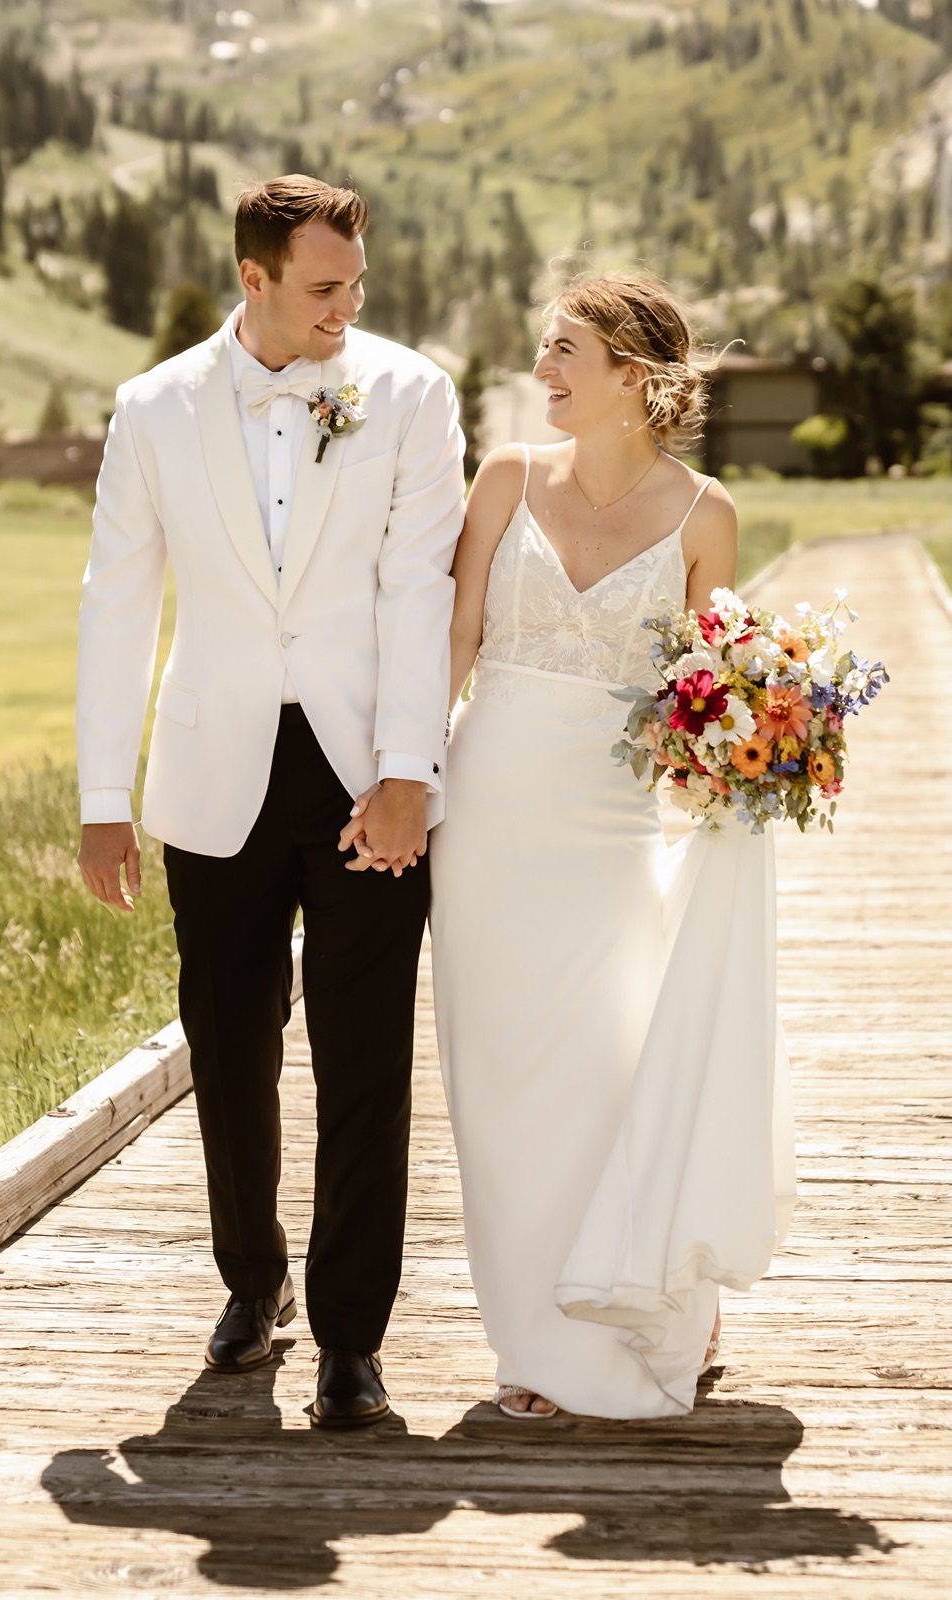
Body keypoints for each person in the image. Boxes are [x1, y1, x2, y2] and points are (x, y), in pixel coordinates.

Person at [76, 175, 465, 1427]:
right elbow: (117, 603)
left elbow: (418, 590)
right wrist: (102, 792)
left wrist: (410, 770)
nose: (350, 306)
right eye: (323, 288)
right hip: (213, 773)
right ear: (253, 279)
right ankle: (255, 1283)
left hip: (366, 773)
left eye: (358, 281)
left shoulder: (409, 392)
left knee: (365, 1059)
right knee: (228, 1047)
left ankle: (355, 1336)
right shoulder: (151, 409)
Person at [424, 274, 796, 1419]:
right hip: (485, 821)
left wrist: (763, 747)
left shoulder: (705, 514)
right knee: (497, 1094)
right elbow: (451, 646)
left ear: (632, 374)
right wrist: (407, 780)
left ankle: (637, 1300)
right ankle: (534, 1341)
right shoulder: (502, 480)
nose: (542, 370)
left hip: (611, 829)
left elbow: (711, 690)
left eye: (563, 350)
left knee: (604, 1071)